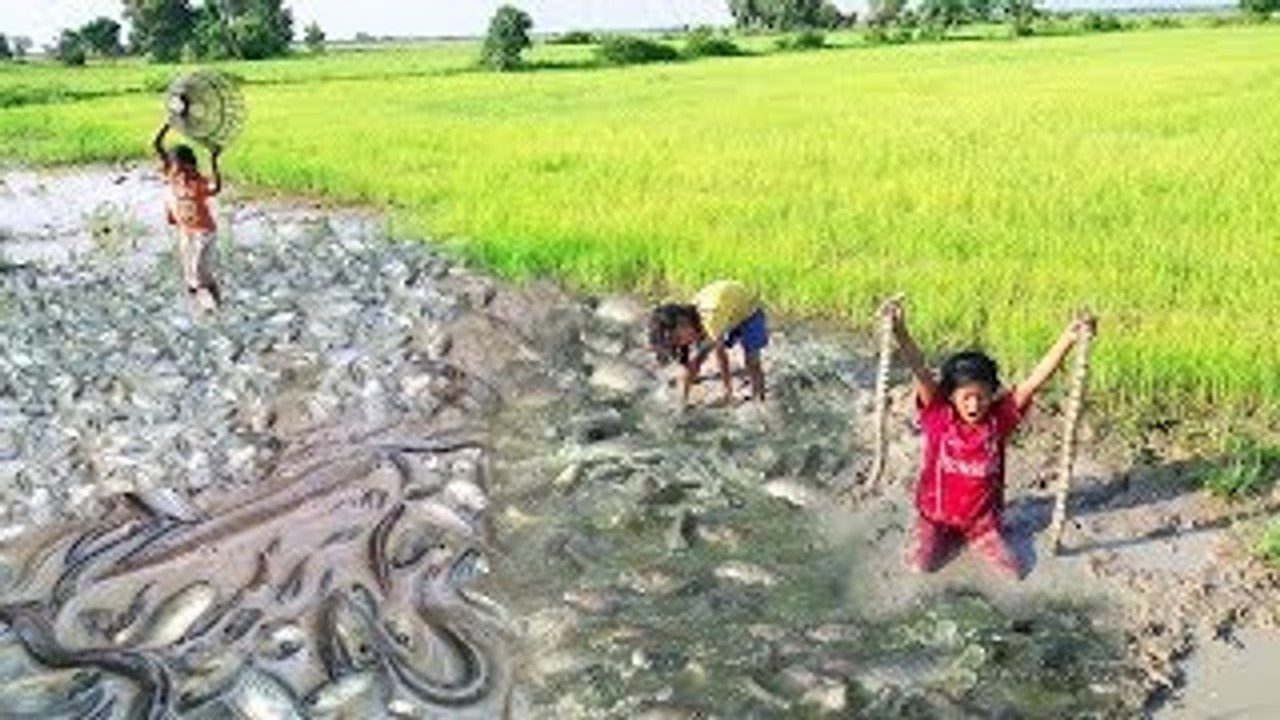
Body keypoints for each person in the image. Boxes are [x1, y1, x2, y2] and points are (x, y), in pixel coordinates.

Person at [885, 299, 1095, 579]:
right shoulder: (938, 416)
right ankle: (937, 538)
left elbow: (1033, 381)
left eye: (981, 396)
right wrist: (899, 329)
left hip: (981, 523)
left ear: (992, 394)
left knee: (1013, 573)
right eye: (966, 398)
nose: (974, 405)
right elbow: (920, 370)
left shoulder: (999, 421)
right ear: (951, 397)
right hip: (935, 517)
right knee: (920, 566)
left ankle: (971, 540)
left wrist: (1068, 338)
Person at [648, 280, 769, 410]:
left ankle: (759, 402)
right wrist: (683, 400)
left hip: (749, 313)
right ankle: (684, 395)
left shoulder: (710, 320)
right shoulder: (692, 316)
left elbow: (721, 357)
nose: (681, 344)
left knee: (752, 362)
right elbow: (692, 361)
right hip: (728, 310)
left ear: (683, 322)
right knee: (699, 354)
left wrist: (727, 392)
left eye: (678, 339)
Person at [153, 122, 223, 311]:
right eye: (176, 169)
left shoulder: (197, 182)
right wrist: (169, 122)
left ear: (191, 166)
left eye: (184, 169)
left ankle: (213, 310)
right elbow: (157, 144)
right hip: (186, 232)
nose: (181, 173)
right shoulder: (171, 177)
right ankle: (210, 306)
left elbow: (216, 188)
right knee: (192, 275)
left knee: (198, 273)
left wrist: (214, 161)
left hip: (204, 232)